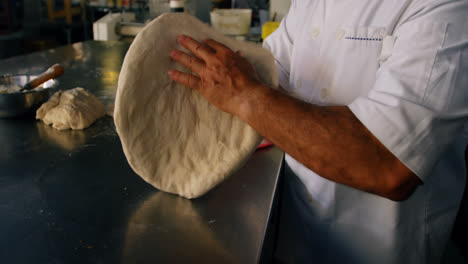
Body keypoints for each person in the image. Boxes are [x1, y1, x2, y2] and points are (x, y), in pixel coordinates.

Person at [167, 0, 468, 263]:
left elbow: (387, 164)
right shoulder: (311, 3)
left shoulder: (444, 6)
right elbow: (268, 74)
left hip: (380, 249)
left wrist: (245, 96)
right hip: (295, 237)